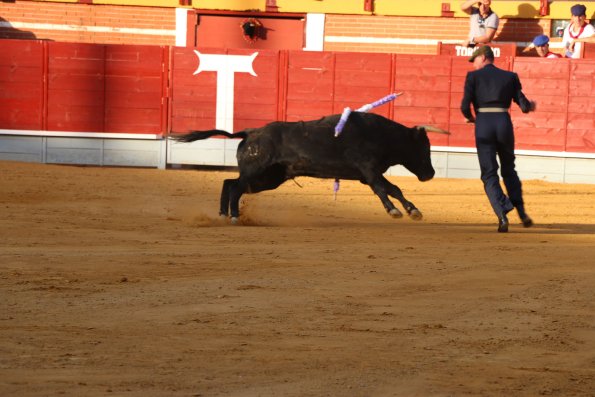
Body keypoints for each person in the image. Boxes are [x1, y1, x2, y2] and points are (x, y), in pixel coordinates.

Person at [460, 46, 536, 232]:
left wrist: (471, 118)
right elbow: (524, 106)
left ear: (484, 57)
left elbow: (464, 107)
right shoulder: (510, 77)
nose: (475, 64)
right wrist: (531, 105)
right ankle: (522, 212)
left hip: (484, 124)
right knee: (509, 170)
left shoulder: (473, 77)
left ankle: (502, 214)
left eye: (475, 60)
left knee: (489, 173)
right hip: (503, 123)